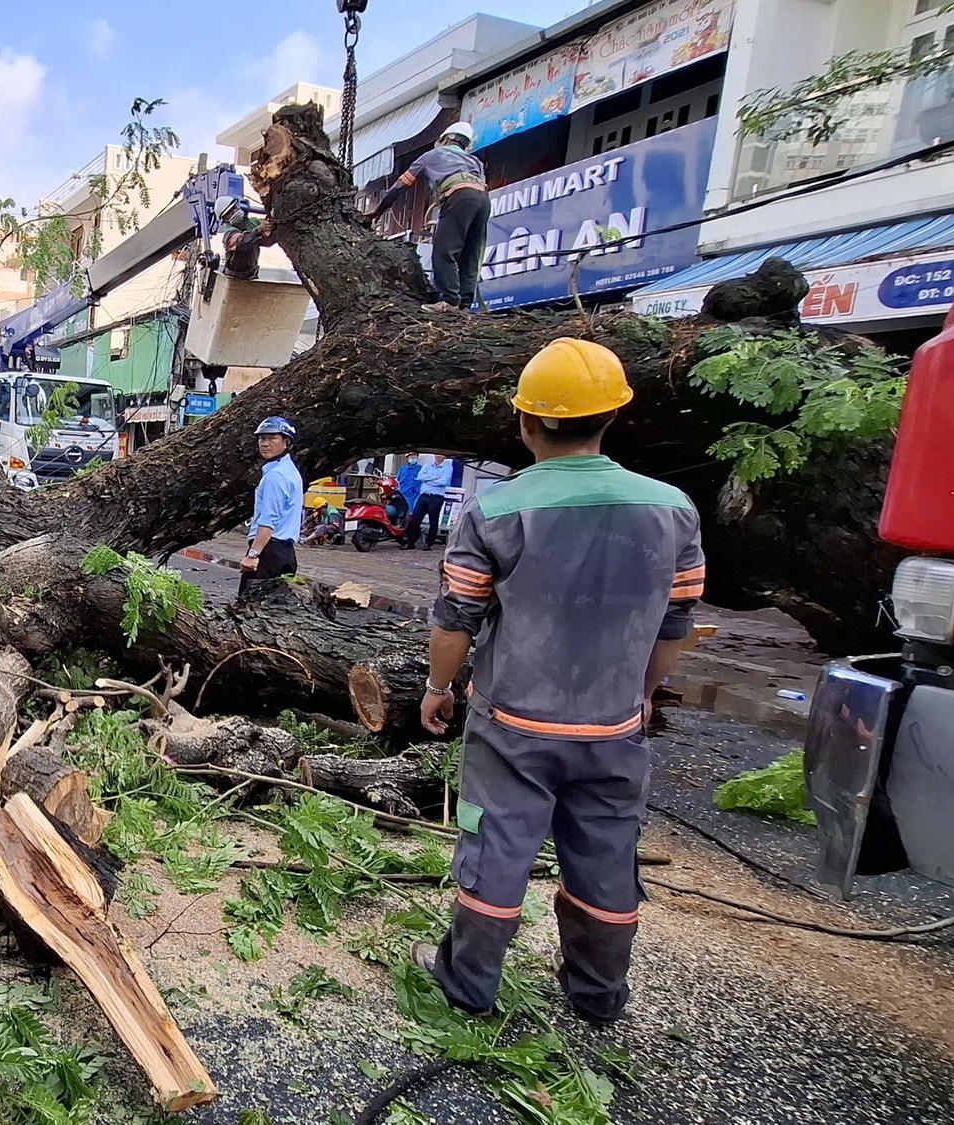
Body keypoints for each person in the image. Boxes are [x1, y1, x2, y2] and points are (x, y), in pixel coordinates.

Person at [414, 338, 704, 1024]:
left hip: (513, 723)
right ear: (612, 418)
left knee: (496, 847)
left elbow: (457, 617)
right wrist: (640, 694)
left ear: (525, 422)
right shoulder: (672, 509)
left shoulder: (496, 510)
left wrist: (439, 687)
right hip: (614, 726)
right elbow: (675, 625)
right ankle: (598, 993)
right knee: (606, 855)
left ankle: (469, 981)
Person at [370, 121, 490, 310]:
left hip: (458, 196)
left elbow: (400, 186)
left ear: (446, 138)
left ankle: (450, 301)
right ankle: (465, 305)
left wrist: (377, 212)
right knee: (470, 255)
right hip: (483, 200)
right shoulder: (475, 161)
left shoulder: (431, 155)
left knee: (444, 251)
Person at [240, 416, 303, 597]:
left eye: (272, 438)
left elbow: (268, 520)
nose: (265, 443)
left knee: (248, 612)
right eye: (262, 438)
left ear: (286, 442)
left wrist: (253, 555)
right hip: (285, 554)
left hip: (269, 553)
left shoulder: (276, 476)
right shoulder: (291, 472)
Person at [215, 195, 273, 281]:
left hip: (252, 276)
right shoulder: (229, 234)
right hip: (233, 279)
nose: (235, 211)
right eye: (229, 212)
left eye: (234, 207)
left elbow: (266, 242)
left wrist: (270, 229)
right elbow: (242, 241)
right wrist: (258, 230)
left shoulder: (253, 222)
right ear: (225, 220)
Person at [404, 454, 454, 550]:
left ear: (445, 457)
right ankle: (410, 542)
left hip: (437, 497)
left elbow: (443, 482)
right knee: (415, 519)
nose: (437, 456)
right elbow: (420, 477)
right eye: (436, 454)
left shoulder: (448, 468)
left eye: (440, 455)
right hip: (424, 495)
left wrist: (427, 480)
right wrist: (435, 478)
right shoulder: (427, 465)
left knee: (433, 520)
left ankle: (429, 543)